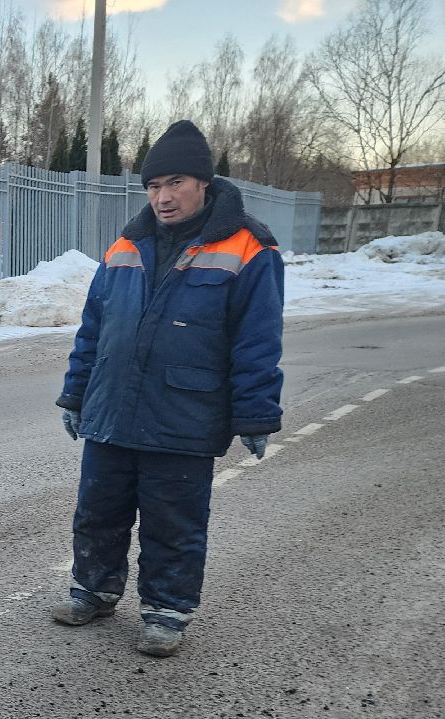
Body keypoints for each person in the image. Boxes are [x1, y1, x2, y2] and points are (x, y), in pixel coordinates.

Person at [52, 120, 285, 658]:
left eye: (174, 182)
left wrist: (255, 413)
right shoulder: (125, 246)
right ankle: (94, 588)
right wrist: (75, 393)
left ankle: (167, 609)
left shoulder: (250, 248)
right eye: (153, 187)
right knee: (98, 511)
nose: (163, 196)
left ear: (203, 182)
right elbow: (94, 328)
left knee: (173, 521)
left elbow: (257, 339)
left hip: (185, 414)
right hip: (111, 411)